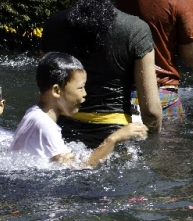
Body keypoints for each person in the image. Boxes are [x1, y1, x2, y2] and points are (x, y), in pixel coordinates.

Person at [43, 0, 161, 148]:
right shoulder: (135, 29)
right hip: (117, 139)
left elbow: (46, 93)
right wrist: (154, 141)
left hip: (61, 139)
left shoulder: (54, 24)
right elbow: (151, 111)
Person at [11, 52, 148, 167]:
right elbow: (79, 169)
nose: (84, 94)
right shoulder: (45, 125)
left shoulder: (33, 113)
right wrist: (113, 139)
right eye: (80, 88)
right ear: (57, 90)